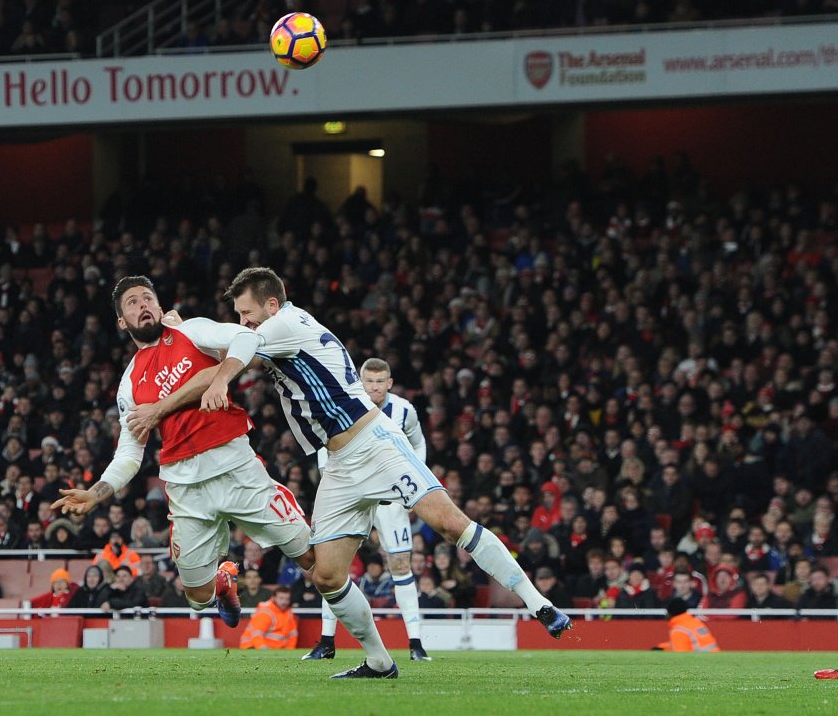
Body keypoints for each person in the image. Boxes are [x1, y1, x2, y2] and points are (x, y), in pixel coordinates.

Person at [209, 267, 571, 678]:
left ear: (272, 305)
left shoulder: (286, 324)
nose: (244, 322)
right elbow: (234, 343)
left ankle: (539, 604)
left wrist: (213, 371)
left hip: (375, 443)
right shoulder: (275, 333)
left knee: (450, 525)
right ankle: (379, 662)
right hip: (339, 464)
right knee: (326, 575)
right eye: (239, 316)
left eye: (247, 313)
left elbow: (237, 348)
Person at [51, 276, 314, 629]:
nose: (143, 305)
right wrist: (97, 493)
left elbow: (245, 337)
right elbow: (130, 452)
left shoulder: (192, 331)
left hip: (234, 465)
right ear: (122, 322)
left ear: (160, 307)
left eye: (148, 298)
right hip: (185, 487)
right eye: (132, 302)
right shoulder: (129, 383)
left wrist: (214, 380)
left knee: (310, 557)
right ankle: (223, 582)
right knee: (198, 597)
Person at [304, 357, 432, 662]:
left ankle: (415, 644)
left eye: (380, 382)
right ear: (360, 382)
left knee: (400, 565)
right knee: (332, 565)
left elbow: (418, 444)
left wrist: (411, 482)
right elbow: (325, 446)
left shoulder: (404, 410)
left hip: (389, 499)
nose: (374, 387)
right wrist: (331, 481)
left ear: (389, 383)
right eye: (369, 381)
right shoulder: (343, 405)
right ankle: (326, 641)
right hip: (352, 496)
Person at [654, 597, 721, 652]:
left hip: (702, 662)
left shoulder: (679, 630)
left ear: (670, 613)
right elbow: (690, 643)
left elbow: (680, 655)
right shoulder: (696, 622)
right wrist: (663, 647)